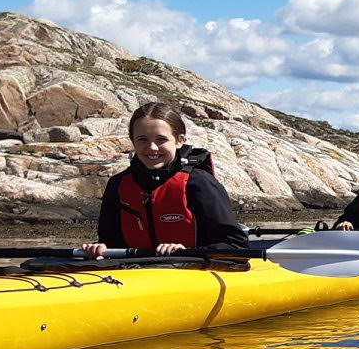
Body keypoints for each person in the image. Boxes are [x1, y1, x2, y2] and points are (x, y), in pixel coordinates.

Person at [82, 103, 249, 258]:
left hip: (192, 273)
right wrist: (100, 248)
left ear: (179, 140)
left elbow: (235, 245)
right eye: (142, 140)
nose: (152, 148)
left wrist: (188, 252)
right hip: (137, 275)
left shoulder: (199, 183)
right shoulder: (117, 185)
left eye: (161, 139)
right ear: (133, 141)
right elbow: (111, 242)